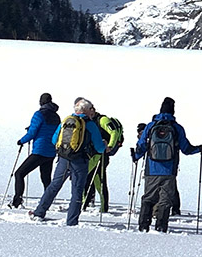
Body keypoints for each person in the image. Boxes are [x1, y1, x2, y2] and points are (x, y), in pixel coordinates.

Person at [30, 97, 105, 226]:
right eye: (91, 108)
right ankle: (71, 221)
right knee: (77, 190)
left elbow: (54, 140)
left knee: (54, 185)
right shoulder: (90, 124)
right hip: (80, 161)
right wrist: (104, 145)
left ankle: (39, 212)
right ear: (86, 110)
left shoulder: (66, 121)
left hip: (64, 159)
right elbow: (99, 147)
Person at [134, 98, 202, 233]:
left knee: (148, 197)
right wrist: (199, 149)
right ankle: (161, 227)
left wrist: (135, 156)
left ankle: (143, 225)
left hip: (152, 169)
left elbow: (142, 145)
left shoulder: (150, 126)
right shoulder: (177, 127)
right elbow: (186, 149)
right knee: (165, 200)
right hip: (169, 170)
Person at [11, 93, 60, 208]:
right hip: (51, 151)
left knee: (19, 174)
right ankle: (47, 202)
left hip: (39, 150)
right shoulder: (56, 116)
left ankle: (17, 200)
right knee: (46, 178)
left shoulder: (39, 114)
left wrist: (21, 141)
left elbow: (32, 133)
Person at [83, 112, 124, 213]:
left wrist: (109, 146)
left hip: (101, 156)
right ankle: (85, 202)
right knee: (87, 178)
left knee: (99, 180)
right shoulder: (89, 121)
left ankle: (103, 206)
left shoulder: (102, 120)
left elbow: (113, 132)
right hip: (93, 155)